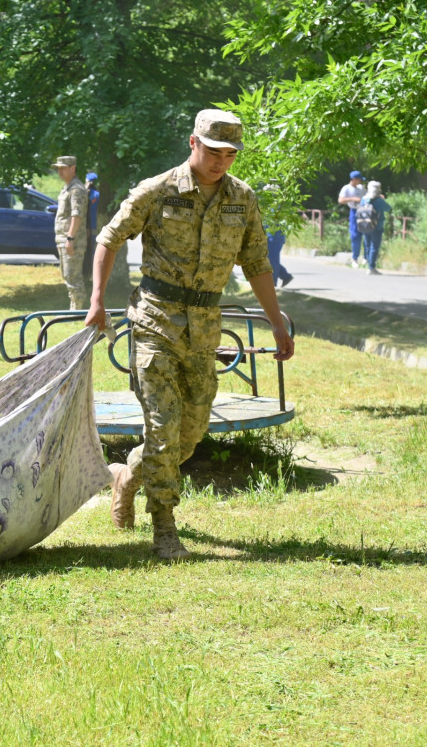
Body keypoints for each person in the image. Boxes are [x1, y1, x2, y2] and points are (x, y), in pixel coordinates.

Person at [84, 109, 295, 561]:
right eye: (214, 151)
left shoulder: (242, 198)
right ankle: (165, 530)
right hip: (154, 322)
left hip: (204, 330)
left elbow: (257, 263)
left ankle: (126, 476)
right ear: (193, 143)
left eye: (230, 155)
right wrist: (97, 300)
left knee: (189, 436)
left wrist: (277, 320)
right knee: (163, 428)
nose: (222, 162)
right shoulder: (157, 190)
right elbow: (109, 238)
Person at [52, 156, 89, 309]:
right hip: (64, 239)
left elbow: (77, 215)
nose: (59, 171)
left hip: (73, 240)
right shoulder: (67, 187)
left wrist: (70, 238)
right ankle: (74, 306)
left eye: (63, 168)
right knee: (67, 274)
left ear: (73, 168)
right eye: (58, 168)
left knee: (73, 275)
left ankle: (77, 309)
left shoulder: (76, 189)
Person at [262, 184, 294, 288]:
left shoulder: (277, 206)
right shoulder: (270, 205)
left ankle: (273, 283)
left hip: (275, 237)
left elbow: (274, 222)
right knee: (269, 259)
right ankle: (285, 276)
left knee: (272, 261)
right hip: (270, 236)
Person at [359, 180, 392, 275]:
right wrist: (382, 199)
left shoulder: (364, 199)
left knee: (368, 245)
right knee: (374, 246)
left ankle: (368, 264)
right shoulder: (379, 201)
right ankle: (371, 267)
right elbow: (388, 208)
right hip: (377, 226)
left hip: (365, 225)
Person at [338, 170, 366, 268]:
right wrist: (352, 199)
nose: (360, 182)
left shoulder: (361, 188)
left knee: (366, 233)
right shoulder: (346, 188)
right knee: (355, 235)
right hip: (354, 211)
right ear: (354, 179)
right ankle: (355, 257)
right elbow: (341, 200)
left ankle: (366, 258)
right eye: (359, 180)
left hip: (364, 211)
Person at [82, 172, 101, 283]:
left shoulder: (84, 194)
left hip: (86, 228)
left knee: (87, 252)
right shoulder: (98, 195)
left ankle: (87, 275)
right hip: (97, 227)